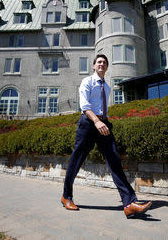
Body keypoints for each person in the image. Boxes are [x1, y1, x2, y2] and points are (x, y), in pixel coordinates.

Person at [61, 54, 151, 219]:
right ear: (94, 66)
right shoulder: (87, 82)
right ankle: (67, 196)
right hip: (88, 123)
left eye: (104, 62)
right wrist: (96, 121)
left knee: (114, 161)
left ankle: (129, 204)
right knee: (76, 160)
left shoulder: (107, 87)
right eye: (99, 62)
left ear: (107, 67)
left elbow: (103, 109)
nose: (101, 64)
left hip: (103, 124)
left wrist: (104, 122)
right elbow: (85, 106)